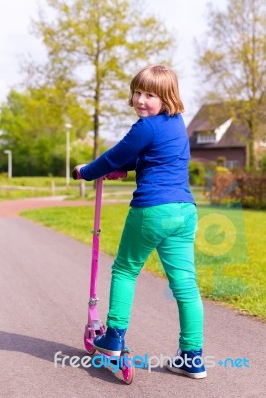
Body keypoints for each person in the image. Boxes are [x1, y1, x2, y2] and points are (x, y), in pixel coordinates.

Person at [73, 64, 206, 379]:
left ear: (167, 97)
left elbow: (114, 156)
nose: (141, 100)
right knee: (185, 284)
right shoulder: (176, 124)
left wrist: (86, 171)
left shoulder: (143, 128)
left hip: (152, 211)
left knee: (125, 269)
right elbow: (149, 157)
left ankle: (113, 338)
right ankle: (192, 355)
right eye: (138, 92)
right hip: (184, 212)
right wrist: (127, 168)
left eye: (150, 95)